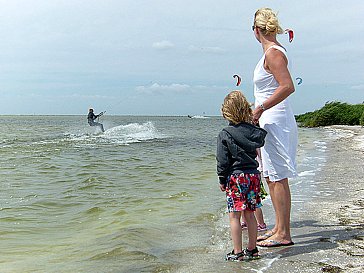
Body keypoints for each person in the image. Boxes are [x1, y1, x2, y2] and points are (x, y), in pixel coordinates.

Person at [251, 7, 298, 247]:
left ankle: (284, 234)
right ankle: (278, 228)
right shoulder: (270, 53)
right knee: (270, 175)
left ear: (256, 30)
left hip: (276, 121)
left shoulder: (273, 53)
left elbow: (288, 86)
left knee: (278, 176)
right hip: (269, 120)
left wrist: (260, 108)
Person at [216, 90, 267, 261]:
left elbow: (222, 160)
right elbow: (261, 139)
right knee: (250, 213)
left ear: (227, 112)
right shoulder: (253, 131)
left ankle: (237, 251)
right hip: (253, 176)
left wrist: (222, 179)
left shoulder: (225, 133)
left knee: (234, 216)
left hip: (236, 177)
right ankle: (252, 250)